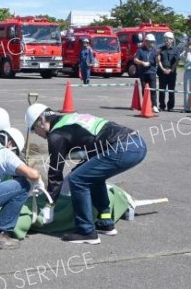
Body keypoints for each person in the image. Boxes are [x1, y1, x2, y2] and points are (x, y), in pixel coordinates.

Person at [25, 103, 147, 244]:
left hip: (123, 148)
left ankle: (86, 231)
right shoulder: (70, 119)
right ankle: (105, 222)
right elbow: (93, 146)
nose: (37, 135)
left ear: (41, 120)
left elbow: (55, 173)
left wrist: (49, 204)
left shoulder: (56, 135)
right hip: (136, 143)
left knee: (77, 180)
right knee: (91, 177)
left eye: (34, 130)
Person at [133, 33, 159, 113]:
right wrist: (142, 63)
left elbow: (157, 61)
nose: (151, 43)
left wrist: (158, 56)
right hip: (143, 73)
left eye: (153, 42)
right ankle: (146, 104)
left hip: (152, 72)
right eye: (150, 41)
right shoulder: (141, 50)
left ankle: (154, 105)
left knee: (153, 89)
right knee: (145, 89)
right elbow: (135, 60)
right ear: (146, 41)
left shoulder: (155, 50)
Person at [157, 32, 179, 112]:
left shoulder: (176, 49)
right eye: (166, 39)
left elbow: (176, 61)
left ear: (172, 40)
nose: (167, 40)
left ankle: (170, 106)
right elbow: (158, 60)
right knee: (162, 90)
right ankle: (162, 106)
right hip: (162, 72)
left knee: (171, 90)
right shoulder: (160, 48)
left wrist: (171, 70)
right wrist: (163, 69)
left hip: (172, 73)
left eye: (169, 39)